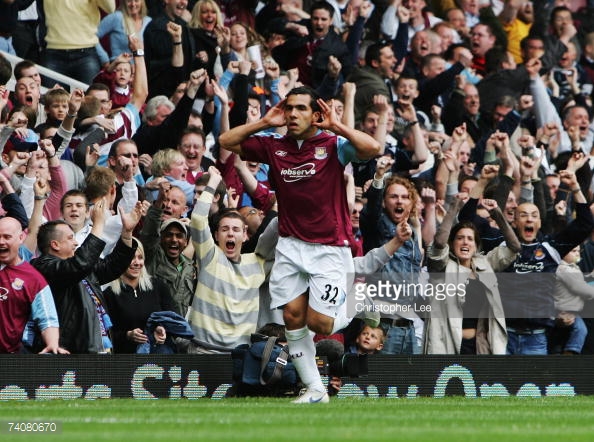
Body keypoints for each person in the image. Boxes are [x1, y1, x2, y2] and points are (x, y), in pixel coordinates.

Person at [219, 85, 380, 404]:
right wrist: (264, 122)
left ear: (316, 115)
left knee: (319, 322)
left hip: (329, 248)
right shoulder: (274, 145)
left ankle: (356, 301)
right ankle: (316, 389)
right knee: (293, 317)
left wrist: (337, 126)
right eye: (289, 108)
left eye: (301, 108)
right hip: (291, 244)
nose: (292, 114)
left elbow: (372, 147)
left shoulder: (333, 145)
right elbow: (227, 143)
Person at [184, 167, 278, 352]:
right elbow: (197, 219)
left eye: (236, 230)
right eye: (225, 229)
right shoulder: (209, 255)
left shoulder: (258, 263)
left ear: (245, 235)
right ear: (216, 234)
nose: (230, 234)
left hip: (239, 357)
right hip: (203, 352)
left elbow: (278, 234)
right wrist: (213, 182)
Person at [31, 198, 143, 353]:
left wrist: (126, 233)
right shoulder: (42, 266)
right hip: (71, 351)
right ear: (55, 244)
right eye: (70, 238)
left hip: (100, 346)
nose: (76, 243)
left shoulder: (78, 265)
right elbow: (78, 265)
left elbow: (112, 267)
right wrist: (98, 225)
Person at [425, 190, 521, 355]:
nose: (465, 242)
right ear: (453, 243)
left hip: (479, 346)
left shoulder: (485, 265)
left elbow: (515, 247)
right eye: (460, 238)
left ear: (476, 246)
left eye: (470, 239)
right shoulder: (441, 266)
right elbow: (439, 242)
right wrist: (454, 208)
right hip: (445, 345)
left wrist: (497, 214)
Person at [0, 215, 68, 355]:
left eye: (7, 237)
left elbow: (47, 317)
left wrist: (52, 344)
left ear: (20, 238)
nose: (1, 242)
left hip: (10, 356)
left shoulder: (33, 278)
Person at [104, 238, 178, 353]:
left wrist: (163, 330)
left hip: (159, 360)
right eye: (131, 257)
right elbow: (105, 334)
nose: (137, 262)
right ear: (120, 259)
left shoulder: (158, 286)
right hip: (126, 361)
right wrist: (127, 335)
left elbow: (174, 320)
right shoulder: (109, 294)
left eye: (140, 257)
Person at [552, 245, 594, 354]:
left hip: (571, 309)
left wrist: (591, 276)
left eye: (579, 251)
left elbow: (579, 281)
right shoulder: (564, 269)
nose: (577, 254)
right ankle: (570, 352)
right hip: (564, 309)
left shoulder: (572, 267)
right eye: (573, 251)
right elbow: (579, 287)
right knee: (580, 330)